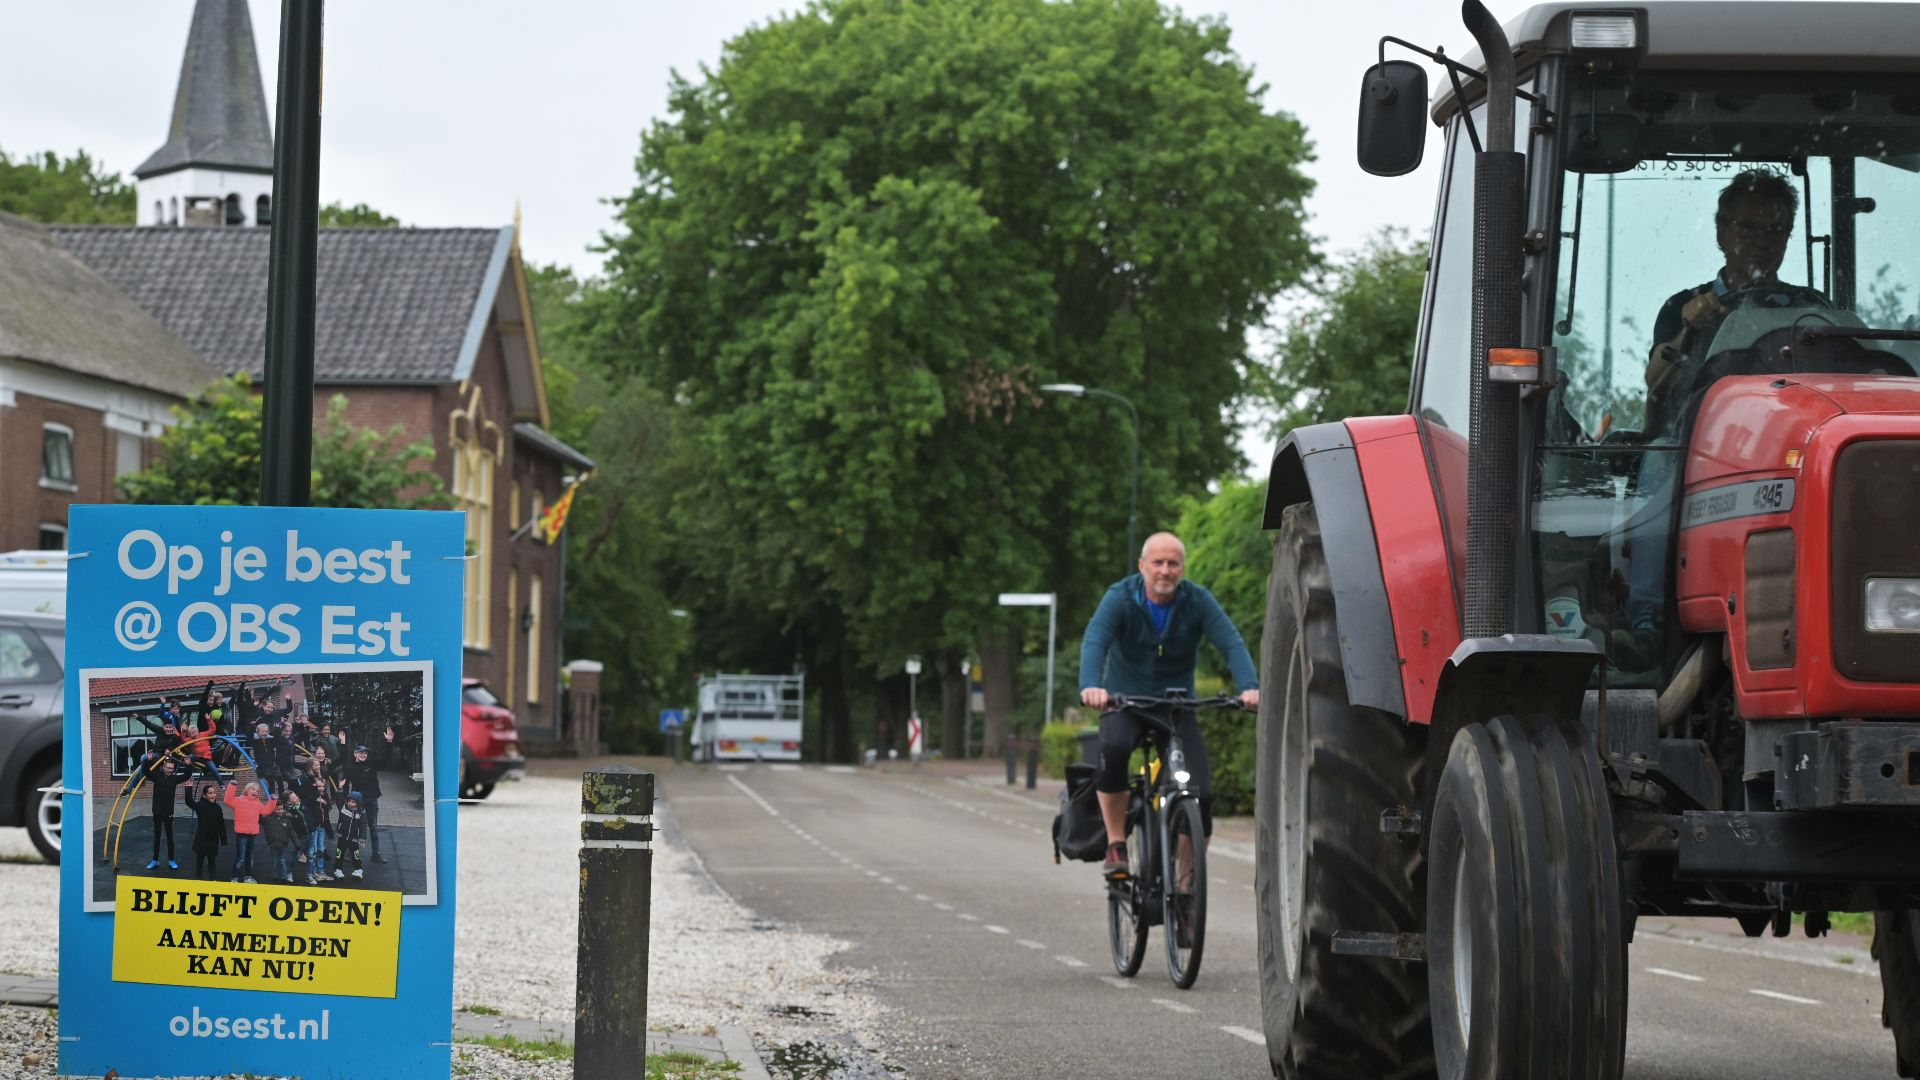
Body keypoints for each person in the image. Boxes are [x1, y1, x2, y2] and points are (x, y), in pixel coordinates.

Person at [1621, 169, 1824, 666]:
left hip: (1783, 443)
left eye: (1776, 230)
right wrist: (1687, 332)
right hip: (1703, 442)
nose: (1763, 242)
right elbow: (1654, 385)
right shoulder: (1684, 309)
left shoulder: (1812, 310)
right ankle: (1646, 620)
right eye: (1750, 228)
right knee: (1658, 460)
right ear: (1722, 232)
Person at [1077, 532, 1260, 880]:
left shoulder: (1196, 600)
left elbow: (1231, 642)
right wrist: (1091, 686)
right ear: (1142, 566)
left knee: (1201, 795)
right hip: (1124, 703)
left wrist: (1249, 687)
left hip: (1176, 707)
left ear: (1182, 568)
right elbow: (1096, 639)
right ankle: (1116, 842)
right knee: (1113, 749)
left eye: (1173, 563)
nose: (1165, 570)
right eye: (1158, 563)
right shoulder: (1120, 597)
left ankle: (1187, 883)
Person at [342, 728, 396, 864]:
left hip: (372, 800)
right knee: (354, 827)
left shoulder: (372, 764)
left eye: (365, 752)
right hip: (357, 802)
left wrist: (389, 742)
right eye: (360, 752)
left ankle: (376, 854)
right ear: (355, 754)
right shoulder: (350, 768)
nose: (363, 754)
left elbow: (387, 758)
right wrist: (345, 800)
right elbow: (345, 784)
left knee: (373, 827)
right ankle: (350, 852)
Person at [221, 780, 277, 883]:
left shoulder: (258, 804)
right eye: (253, 789)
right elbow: (227, 799)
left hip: (252, 835)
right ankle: (234, 878)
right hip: (242, 835)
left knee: (250, 858)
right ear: (247, 790)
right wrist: (232, 785)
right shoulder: (238, 800)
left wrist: (272, 800)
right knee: (240, 858)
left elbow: (267, 810)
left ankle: (247, 877)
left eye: (257, 790)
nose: (255, 791)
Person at [143, 758, 185, 871]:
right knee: (157, 837)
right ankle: (155, 860)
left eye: (172, 768)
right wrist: (148, 760)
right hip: (157, 811)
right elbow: (146, 771)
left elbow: (186, 775)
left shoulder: (174, 779)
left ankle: (171, 860)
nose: (170, 770)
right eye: (168, 767)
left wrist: (188, 764)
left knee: (170, 837)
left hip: (168, 812)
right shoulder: (157, 776)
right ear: (164, 766)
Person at [182, 780, 227, 880]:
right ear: (204, 795)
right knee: (200, 860)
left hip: (213, 839)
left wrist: (223, 838)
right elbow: (189, 802)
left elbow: (221, 823)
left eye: (214, 793)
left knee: (212, 861)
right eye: (210, 793)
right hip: (202, 838)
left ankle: (212, 878)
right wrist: (189, 788)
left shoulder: (218, 807)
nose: (213, 795)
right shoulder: (200, 805)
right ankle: (198, 879)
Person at [334, 792, 368, 880]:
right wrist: (340, 789)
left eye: (353, 802)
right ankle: (338, 869)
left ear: (358, 802)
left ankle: (358, 870)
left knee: (355, 854)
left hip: (354, 838)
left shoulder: (361, 813)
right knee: (339, 853)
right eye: (349, 801)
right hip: (342, 836)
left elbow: (363, 826)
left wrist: (362, 839)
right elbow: (338, 799)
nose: (350, 803)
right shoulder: (343, 808)